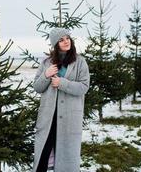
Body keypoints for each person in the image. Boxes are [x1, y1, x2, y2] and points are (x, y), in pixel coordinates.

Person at [32, 27, 90, 172]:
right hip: (48, 117)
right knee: (43, 155)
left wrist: (62, 83)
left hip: (69, 117)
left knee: (67, 158)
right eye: (61, 40)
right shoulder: (46, 63)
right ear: (55, 44)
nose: (66, 42)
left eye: (67, 38)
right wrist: (46, 75)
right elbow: (37, 87)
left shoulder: (80, 62)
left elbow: (84, 87)